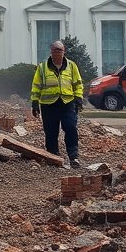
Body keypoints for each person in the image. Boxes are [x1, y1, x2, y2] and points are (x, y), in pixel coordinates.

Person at [30, 39, 85, 168]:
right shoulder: (42, 67)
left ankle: (74, 157)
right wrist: (34, 102)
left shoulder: (71, 66)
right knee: (50, 132)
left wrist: (78, 98)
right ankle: (53, 157)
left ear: (64, 51)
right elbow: (36, 86)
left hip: (67, 103)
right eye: (55, 50)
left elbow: (77, 83)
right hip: (49, 104)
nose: (58, 53)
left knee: (71, 128)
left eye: (60, 50)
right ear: (51, 52)